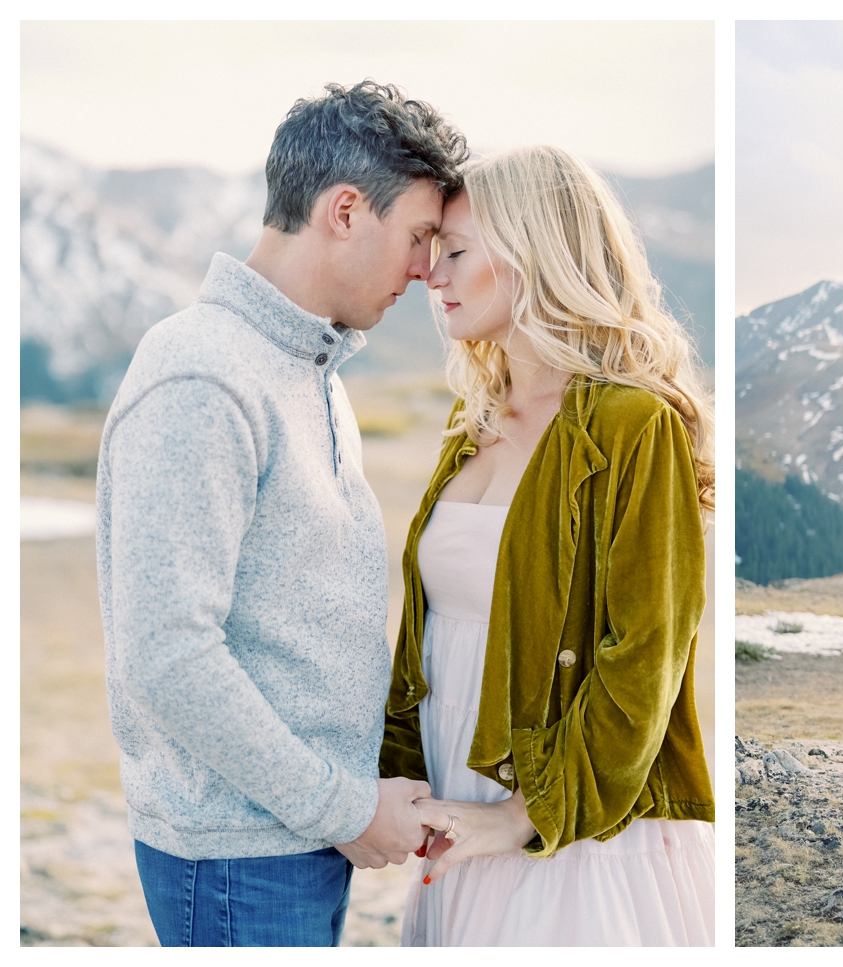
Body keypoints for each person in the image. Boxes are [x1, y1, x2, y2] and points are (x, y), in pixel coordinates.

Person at [96, 81, 468, 946]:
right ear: (344, 210)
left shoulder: (309, 369)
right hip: (238, 859)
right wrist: (342, 807)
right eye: (417, 236)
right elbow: (167, 653)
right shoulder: (203, 374)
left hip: (293, 840)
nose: (425, 268)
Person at [378, 145, 715, 946]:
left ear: (535, 254)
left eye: (456, 251)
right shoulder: (473, 428)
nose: (432, 274)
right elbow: (424, 635)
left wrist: (518, 818)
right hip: (459, 814)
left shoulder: (635, 425)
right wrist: (401, 778)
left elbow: (646, 658)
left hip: (579, 832)